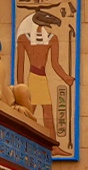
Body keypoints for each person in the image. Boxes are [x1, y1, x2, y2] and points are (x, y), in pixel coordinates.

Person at [16, 7, 74, 135]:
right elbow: (20, 64)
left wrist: (66, 78)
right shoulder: (23, 39)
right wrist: (20, 88)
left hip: (42, 78)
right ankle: (25, 138)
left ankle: (52, 145)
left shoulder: (52, 39)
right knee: (33, 110)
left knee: (43, 111)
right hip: (34, 78)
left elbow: (55, 63)